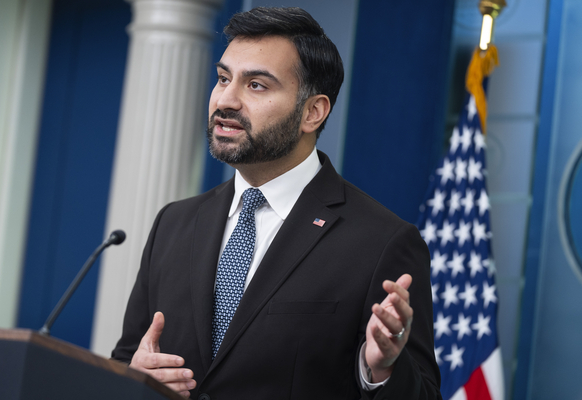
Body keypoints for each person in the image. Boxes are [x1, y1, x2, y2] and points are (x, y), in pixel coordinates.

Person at [112, 6, 441, 400]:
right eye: (223, 78)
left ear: (313, 112)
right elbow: (126, 360)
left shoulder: (383, 242)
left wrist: (382, 370)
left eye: (256, 86)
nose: (225, 101)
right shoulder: (175, 222)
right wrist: (133, 377)